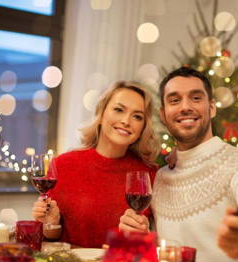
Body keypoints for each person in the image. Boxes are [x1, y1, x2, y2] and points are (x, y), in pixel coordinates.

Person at [119, 67, 238, 262]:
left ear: (212, 108)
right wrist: (137, 233)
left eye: (196, 98)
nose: (185, 107)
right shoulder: (160, 177)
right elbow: (159, 252)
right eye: (174, 100)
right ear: (163, 114)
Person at [32, 81, 158, 248]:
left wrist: (144, 236)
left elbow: (156, 244)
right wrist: (50, 224)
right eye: (119, 110)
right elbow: (51, 239)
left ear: (143, 127)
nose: (126, 121)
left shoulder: (149, 174)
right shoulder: (63, 165)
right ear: (101, 114)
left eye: (137, 116)